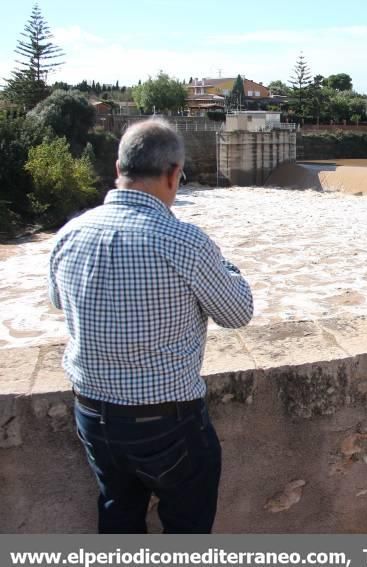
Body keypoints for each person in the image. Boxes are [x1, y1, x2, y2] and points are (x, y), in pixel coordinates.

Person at [47, 118, 253, 533]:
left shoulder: (69, 234)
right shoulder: (184, 241)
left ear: (117, 168)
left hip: (92, 413)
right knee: (187, 526)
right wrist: (220, 261)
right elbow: (237, 313)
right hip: (167, 424)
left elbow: (59, 301)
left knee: (118, 513)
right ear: (174, 174)